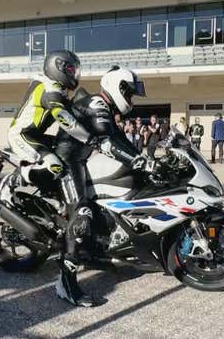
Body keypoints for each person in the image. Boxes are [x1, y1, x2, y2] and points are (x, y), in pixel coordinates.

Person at [0, 50, 100, 306]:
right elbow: (62, 116)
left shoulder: (56, 87)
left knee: (63, 158)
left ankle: (55, 205)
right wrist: (89, 138)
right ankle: (15, 179)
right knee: (57, 167)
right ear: (57, 67)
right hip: (22, 136)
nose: (73, 74)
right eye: (70, 70)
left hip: (35, 134)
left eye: (74, 71)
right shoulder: (49, 87)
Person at [54, 66, 149, 306]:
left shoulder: (105, 109)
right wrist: (140, 162)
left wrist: (148, 161)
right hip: (68, 161)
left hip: (81, 160)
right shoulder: (96, 104)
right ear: (117, 88)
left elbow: (119, 140)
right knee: (82, 215)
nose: (129, 100)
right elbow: (107, 142)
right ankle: (65, 283)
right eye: (128, 94)